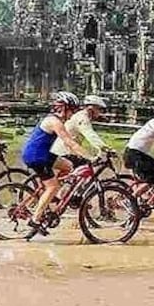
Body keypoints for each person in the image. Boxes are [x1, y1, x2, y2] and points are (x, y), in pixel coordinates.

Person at [21, 91, 94, 237]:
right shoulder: (54, 122)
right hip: (36, 156)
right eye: (72, 110)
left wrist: (79, 153)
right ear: (64, 108)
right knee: (53, 186)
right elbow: (69, 142)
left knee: (69, 166)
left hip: (45, 153)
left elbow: (69, 143)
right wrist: (89, 156)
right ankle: (35, 219)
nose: (73, 114)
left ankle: (54, 196)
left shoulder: (56, 120)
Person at [50, 95, 111, 172]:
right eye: (99, 109)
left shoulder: (82, 116)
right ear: (91, 108)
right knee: (87, 167)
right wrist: (104, 147)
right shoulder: (82, 118)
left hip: (66, 150)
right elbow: (90, 135)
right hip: (65, 151)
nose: (100, 112)